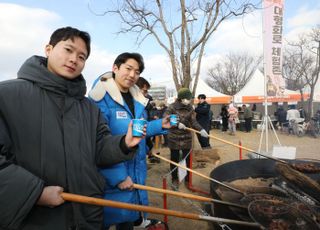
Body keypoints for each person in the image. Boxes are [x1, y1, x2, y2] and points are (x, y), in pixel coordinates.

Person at [0, 27, 144, 230]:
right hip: (33, 219)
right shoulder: (7, 96)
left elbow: (99, 148)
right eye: (68, 50)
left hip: (86, 215)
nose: (74, 59)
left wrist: (123, 143)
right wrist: (35, 193)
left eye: (82, 56)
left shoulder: (88, 108)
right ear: (48, 49)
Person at [89, 52, 170, 230]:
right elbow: (97, 142)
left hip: (135, 171)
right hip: (112, 176)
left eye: (137, 71)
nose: (133, 75)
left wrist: (159, 125)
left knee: (127, 221)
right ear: (115, 68)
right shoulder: (99, 99)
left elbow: (138, 130)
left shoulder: (137, 98)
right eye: (128, 68)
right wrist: (117, 177)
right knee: (102, 220)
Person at [165, 88, 208, 189]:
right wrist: (176, 124)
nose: (188, 100)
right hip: (174, 137)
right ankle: (175, 178)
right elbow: (166, 118)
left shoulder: (190, 108)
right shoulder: (172, 107)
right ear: (181, 98)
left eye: (189, 99)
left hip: (187, 137)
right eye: (187, 98)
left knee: (188, 159)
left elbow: (193, 121)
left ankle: (188, 179)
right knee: (174, 159)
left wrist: (201, 129)